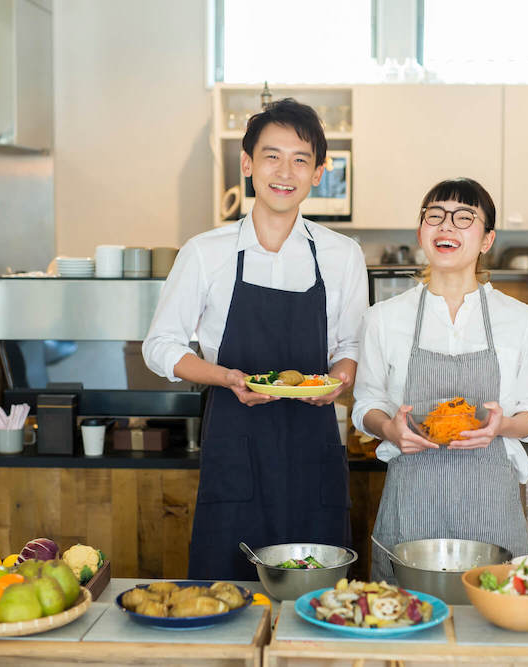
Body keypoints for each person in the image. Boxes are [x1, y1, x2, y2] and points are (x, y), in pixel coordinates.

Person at [142, 98, 368, 580]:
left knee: (316, 596)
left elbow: (351, 346)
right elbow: (160, 346)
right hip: (235, 450)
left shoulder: (342, 255)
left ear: (318, 172)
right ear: (247, 164)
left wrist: (338, 379)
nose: (285, 172)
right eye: (272, 156)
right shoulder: (205, 253)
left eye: (300, 160)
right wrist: (224, 377)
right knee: (230, 592)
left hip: (313, 451)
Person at [351, 177, 528, 583]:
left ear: (487, 239)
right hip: (410, 507)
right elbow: (366, 404)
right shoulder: (383, 318)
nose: (447, 225)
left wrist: (501, 426)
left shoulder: (520, 320)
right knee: (404, 614)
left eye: (464, 217)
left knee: (490, 614)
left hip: (491, 510)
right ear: (420, 232)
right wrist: (388, 429)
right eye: (435, 215)